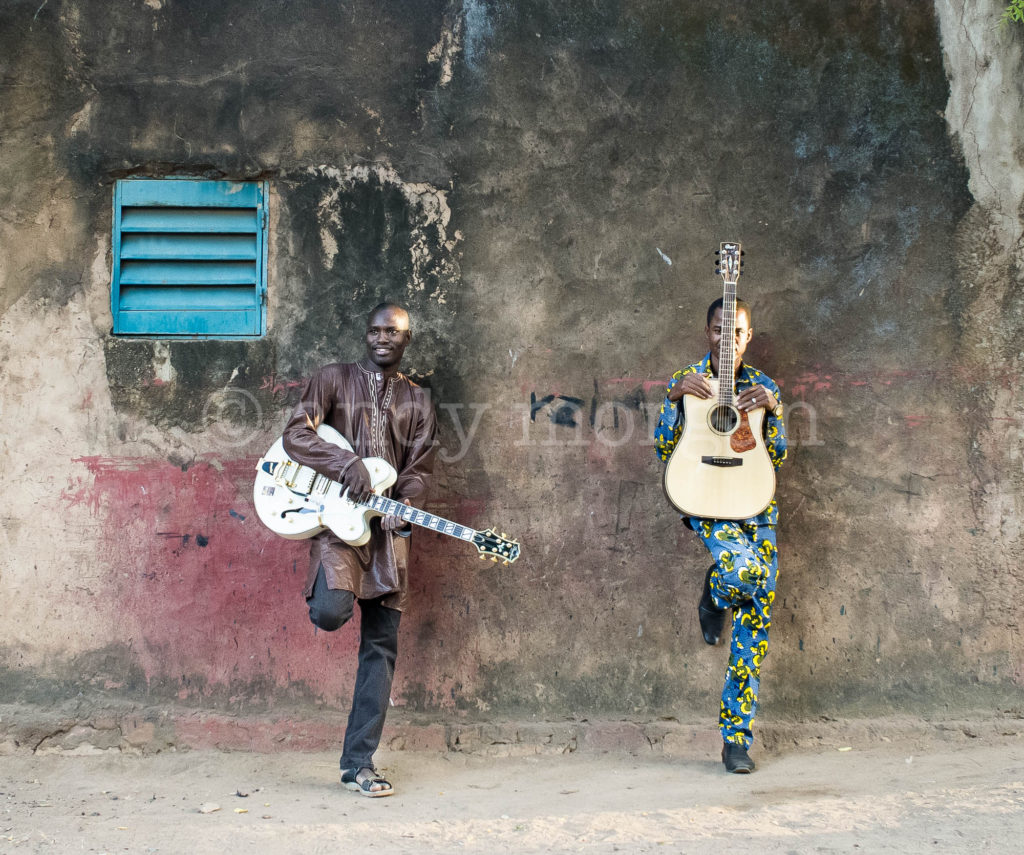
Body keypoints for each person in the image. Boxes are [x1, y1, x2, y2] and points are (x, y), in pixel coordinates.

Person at [282, 302, 437, 797]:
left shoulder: (419, 400)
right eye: (374, 330)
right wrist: (345, 463)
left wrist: (405, 503)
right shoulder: (331, 379)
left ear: (406, 339)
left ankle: (358, 764)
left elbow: (419, 469)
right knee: (330, 612)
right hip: (337, 525)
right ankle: (321, 592)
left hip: (389, 535)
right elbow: (295, 435)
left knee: (380, 647)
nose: (382, 339)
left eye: (392, 332)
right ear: (365, 335)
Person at [653, 296, 787, 774]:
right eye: (717, 331)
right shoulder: (686, 382)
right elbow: (666, 449)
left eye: (736, 333)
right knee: (742, 570)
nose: (726, 340)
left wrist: (773, 413)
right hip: (710, 501)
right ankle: (714, 590)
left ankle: (735, 741)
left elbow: (780, 456)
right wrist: (671, 403)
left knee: (755, 624)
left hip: (755, 508)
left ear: (747, 336)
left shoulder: (765, 386)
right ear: (706, 331)